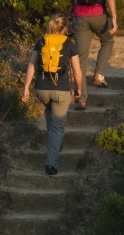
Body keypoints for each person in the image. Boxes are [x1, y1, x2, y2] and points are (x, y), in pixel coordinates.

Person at [22, 14, 82, 175]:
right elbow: (77, 72)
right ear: (64, 29)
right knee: (57, 126)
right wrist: (79, 89)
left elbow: (32, 65)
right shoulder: (69, 44)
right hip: (61, 90)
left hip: (41, 89)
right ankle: (51, 164)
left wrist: (26, 87)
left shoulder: (41, 42)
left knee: (50, 113)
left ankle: (56, 143)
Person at [66, 0, 117, 110]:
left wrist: (74, 6)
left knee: (80, 58)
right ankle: (99, 74)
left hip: (80, 16)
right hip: (98, 15)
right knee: (107, 41)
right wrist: (114, 17)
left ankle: (81, 98)